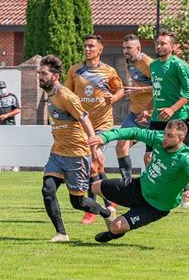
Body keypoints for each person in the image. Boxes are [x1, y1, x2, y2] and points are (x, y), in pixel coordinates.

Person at [87, 120, 189, 243]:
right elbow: (132, 132)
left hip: (155, 207)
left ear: (181, 138)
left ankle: (113, 234)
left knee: (116, 227)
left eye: (170, 136)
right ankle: (108, 213)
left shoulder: (185, 158)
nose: (164, 138)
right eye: (165, 133)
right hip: (138, 187)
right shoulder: (157, 138)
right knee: (95, 187)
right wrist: (104, 137)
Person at [37, 54, 116, 242]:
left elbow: (84, 118)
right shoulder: (49, 95)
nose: (40, 76)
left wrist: (94, 145)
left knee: (78, 202)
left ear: (55, 76)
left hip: (77, 154)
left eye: (44, 73)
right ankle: (62, 233)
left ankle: (107, 213)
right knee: (47, 190)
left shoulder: (65, 95)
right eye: (39, 73)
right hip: (57, 153)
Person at [144, 31, 189, 212]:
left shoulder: (179, 66)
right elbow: (157, 92)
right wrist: (148, 109)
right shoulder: (154, 66)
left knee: (177, 160)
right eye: (158, 43)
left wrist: (172, 109)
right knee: (149, 157)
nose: (159, 46)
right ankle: (158, 192)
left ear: (172, 47)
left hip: (178, 119)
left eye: (164, 43)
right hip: (157, 118)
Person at [64, 34, 124, 224]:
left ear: (100, 50)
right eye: (86, 46)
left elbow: (120, 89)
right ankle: (111, 200)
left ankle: (92, 209)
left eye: (91, 46)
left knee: (92, 164)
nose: (87, 49)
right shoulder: (75, 71)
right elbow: (66, 96)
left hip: (103, 125)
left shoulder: (109, 71)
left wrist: (114, 98)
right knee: (96, 166)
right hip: (82, 125)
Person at [115, 34, 154, 182]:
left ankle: (187, 185)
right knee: (121, 147)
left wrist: (140, 90)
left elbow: (162, 88)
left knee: (149, 158)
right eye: (124, 48)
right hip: (134, 115)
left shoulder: (149, 64)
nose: (126, 51)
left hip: (151, 116)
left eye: (129, 48)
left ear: (138, 48)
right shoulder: (129, 62)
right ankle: (127, 184)